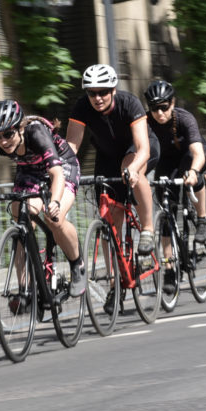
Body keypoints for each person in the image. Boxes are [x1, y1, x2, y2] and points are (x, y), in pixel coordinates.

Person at [66, 64, 160, 314]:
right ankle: (115, 284)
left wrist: (132, 169)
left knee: (132, 168)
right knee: (109, 224)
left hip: (139, 149)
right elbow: (71, 147)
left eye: (103, 92)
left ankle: (148, 227)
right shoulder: (82, 107)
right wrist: (61, 171)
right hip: (107, 156)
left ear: (113, 90)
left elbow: (143, 149)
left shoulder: (130, 103)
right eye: (92, 92)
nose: (97, 97)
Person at [0, 99, 86, 297]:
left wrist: (55, 202)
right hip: (30, 170)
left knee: (54, 218)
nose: (3, 141)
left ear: (20, 128)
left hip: (62, 165)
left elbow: (57, 174)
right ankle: (26, 289)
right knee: (20, 217)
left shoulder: (36, 132)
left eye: (8, 134)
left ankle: (77, 264)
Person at [144, 80, 206, 292]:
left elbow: (199, 154)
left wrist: (194, 171)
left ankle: (202, 219)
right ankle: (170, 269)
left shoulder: (184, 118)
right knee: (166, 213)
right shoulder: (146, 122)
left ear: (172, 103)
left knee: (194, 175)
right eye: (155, 108)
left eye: (164, 107)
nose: (160, 113)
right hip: (167, 160)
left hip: (191, 153)